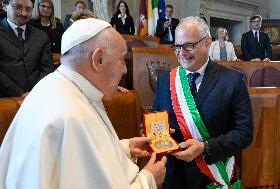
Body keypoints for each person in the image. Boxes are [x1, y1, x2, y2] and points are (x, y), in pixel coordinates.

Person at [0, 18, 167, 189]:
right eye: (122, 59)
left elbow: (77, 160)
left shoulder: (56, 85)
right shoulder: (71, 114)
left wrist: (123, 148)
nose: (125, 69)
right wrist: (150, 179)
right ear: (98, 60)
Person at [152, 16, 253, 189]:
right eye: (177, 46)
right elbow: (155, 121)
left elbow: (244, 133)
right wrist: (157, 131)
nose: (181, 53)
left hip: (214, 176)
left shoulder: (232, 80)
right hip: (175, 177)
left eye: (188, 46)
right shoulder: (165, 81)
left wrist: (205, 147)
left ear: (207, 42)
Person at [0, 0, 54, 98]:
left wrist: (36, 92)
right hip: (6, 100)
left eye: (28, 9)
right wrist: (19, 93)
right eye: (17, 7)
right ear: (5, 6)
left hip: (38, 97)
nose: (24, 13)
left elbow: (47, 68)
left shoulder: (41, 36)